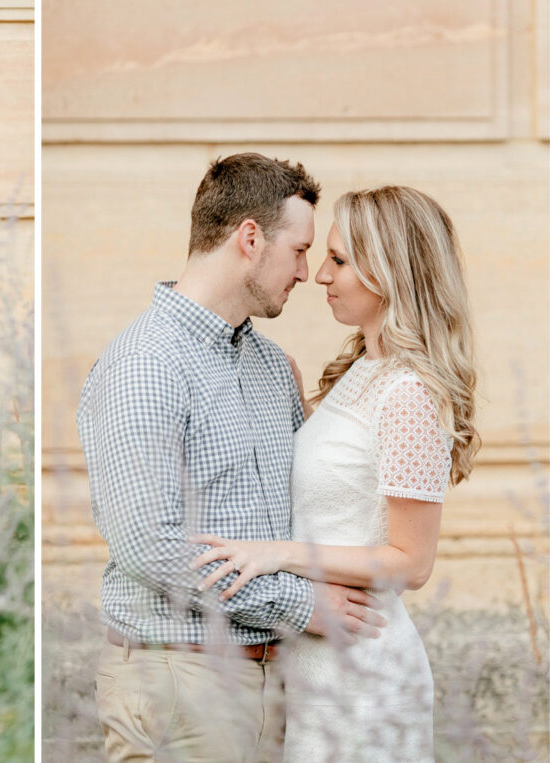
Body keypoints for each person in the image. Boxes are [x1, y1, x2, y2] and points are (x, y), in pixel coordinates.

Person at [77, 153, 386, 762]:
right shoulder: (147, 366)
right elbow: (148, 547)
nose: (307, 272)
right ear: (250, 238)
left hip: (278, 680)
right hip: (180, 680)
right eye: (298, 250)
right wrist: (303, 606)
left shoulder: (272, 369)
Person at [191, 186, 479, 761]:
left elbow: (412, 564)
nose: (320, 275)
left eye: (340, 260)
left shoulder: (408, 393)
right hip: (310, 662)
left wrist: (278, 553)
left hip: (364, 672)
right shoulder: (361, 371)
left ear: (391, 271)